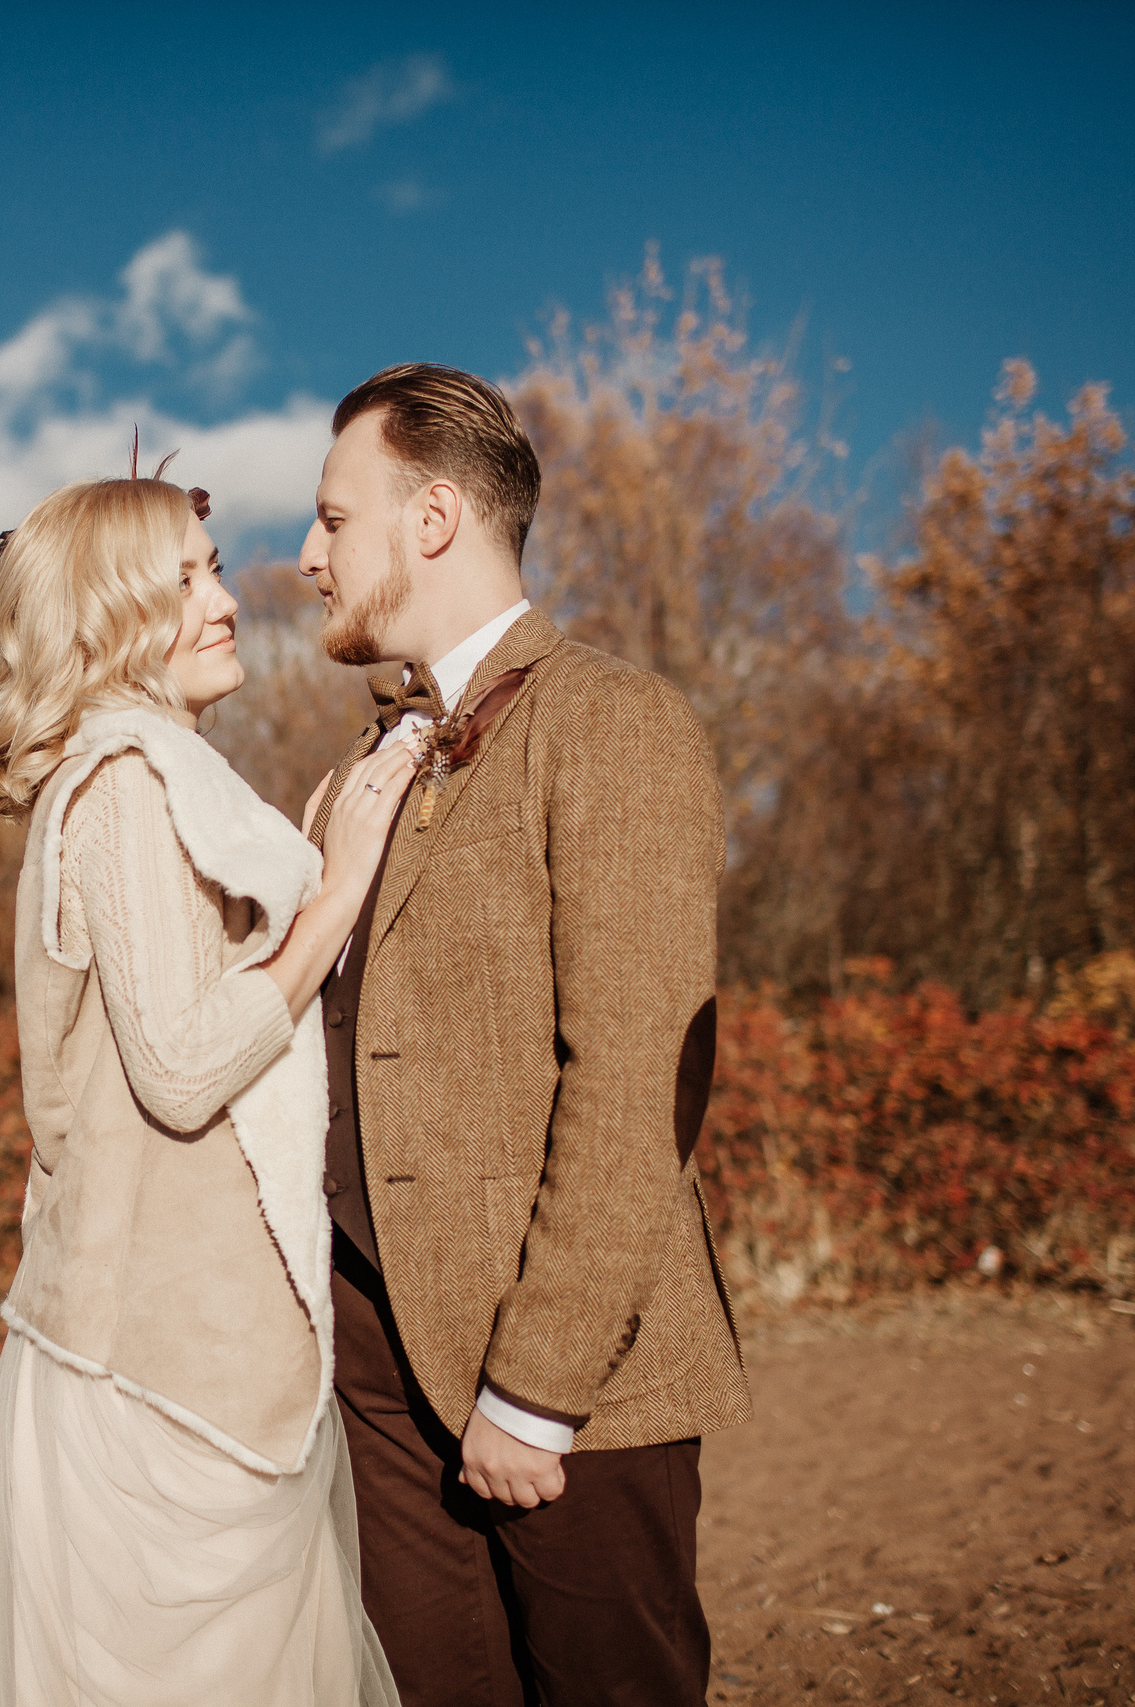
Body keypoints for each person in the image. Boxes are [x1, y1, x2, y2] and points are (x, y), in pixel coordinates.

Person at [298, 365, 751, 1707]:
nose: (307, 554)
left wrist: (539, 1386)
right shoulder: (360, 768)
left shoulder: (616, 722)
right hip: (372, 1372)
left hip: (567, 1385)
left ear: (433, 516)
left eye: (333, 518)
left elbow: (639, 1077)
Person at [0, 467, 411, 1706]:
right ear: (109, 620)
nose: (225, 599)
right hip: (159, 1384)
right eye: (185, 581)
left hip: (177, 1355)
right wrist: (338, 889)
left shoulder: (145, 780)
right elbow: (182, 1065)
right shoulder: (122, 787)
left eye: (210, 569)